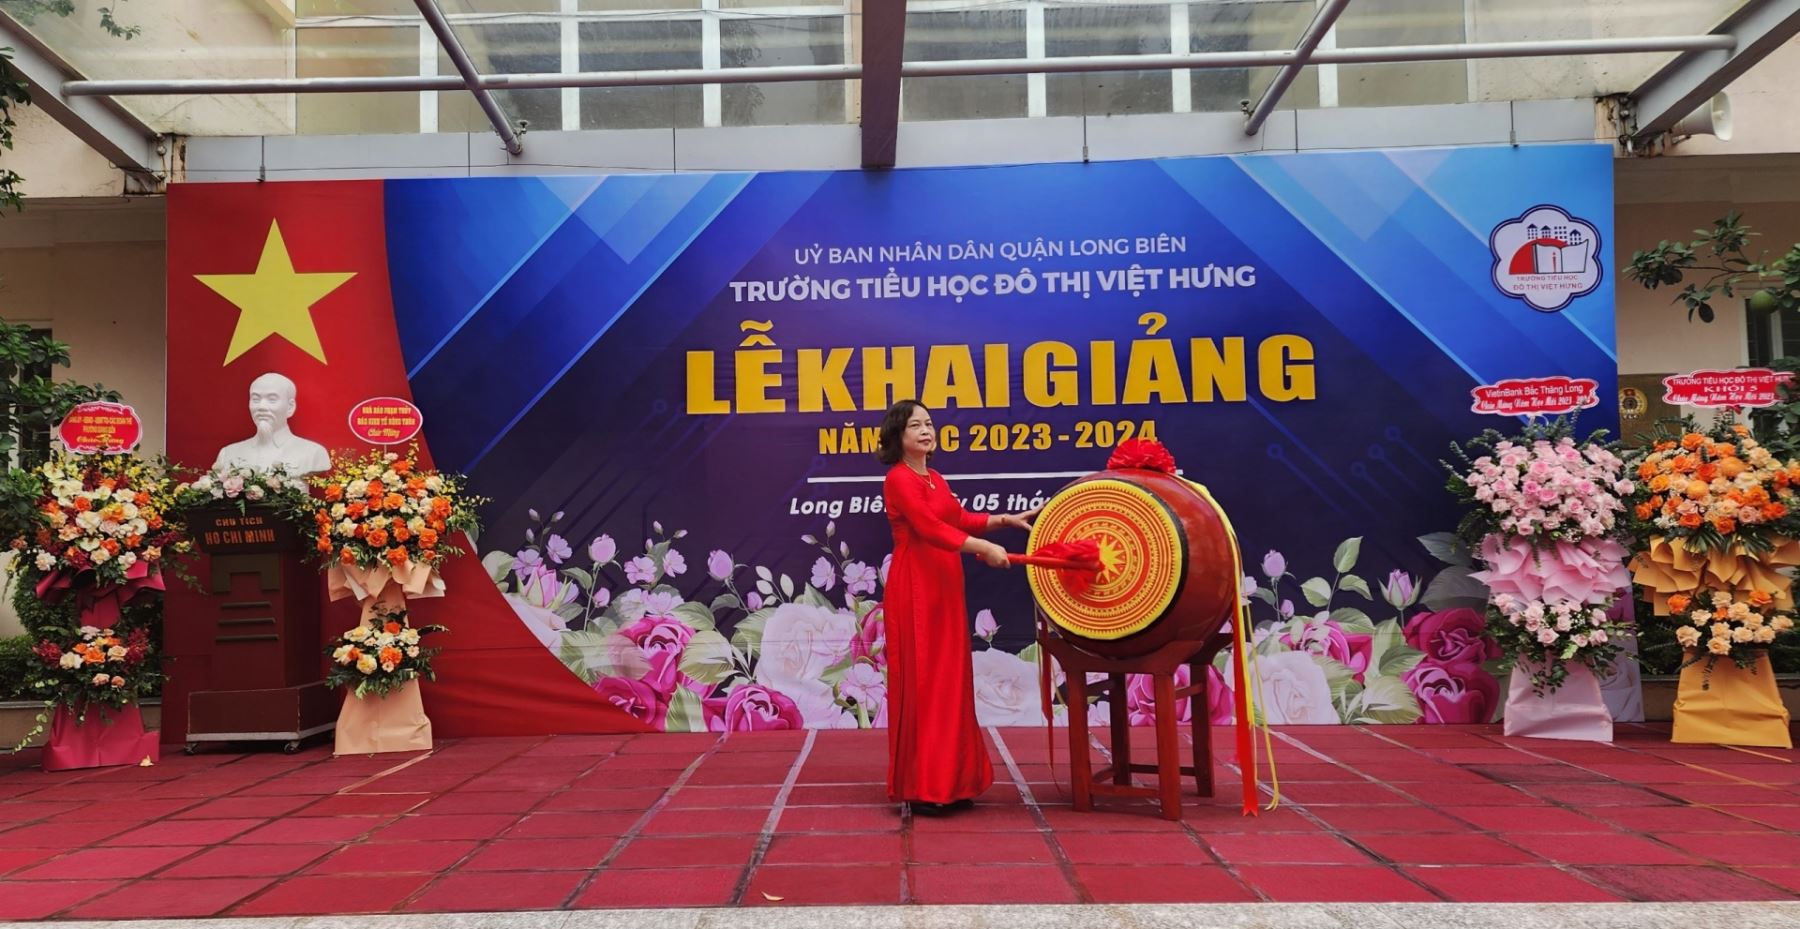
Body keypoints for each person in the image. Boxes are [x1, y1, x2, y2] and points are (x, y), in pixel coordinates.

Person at [877, 399, 1035, 816]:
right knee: (927, 682)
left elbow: (957, 518)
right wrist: (985, 548)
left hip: (945, 586)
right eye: (915, 425)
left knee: (950, 681)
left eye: (929, 423)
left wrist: (1002, 521)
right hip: (916, 588)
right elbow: (929, 528)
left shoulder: (934, 477)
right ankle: (926, 785)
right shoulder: (899, 479)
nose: (925, 431)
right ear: (898, 436)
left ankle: (954, 780)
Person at [211, 371, 332, 475]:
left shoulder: (313, 453)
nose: (261, 407)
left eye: (272, 399)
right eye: (256, 399)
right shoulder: (229, 453)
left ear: (290, 407)